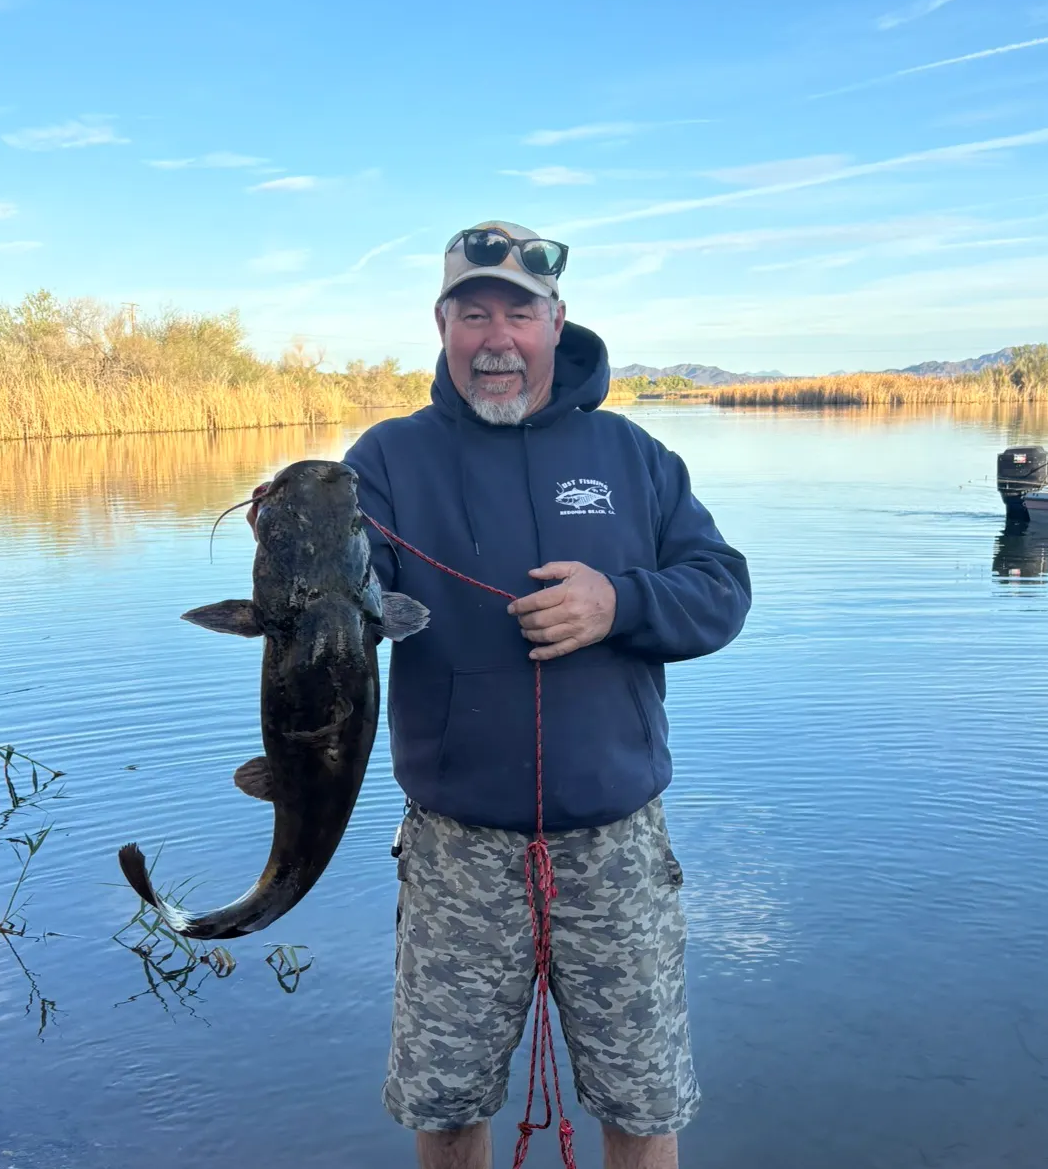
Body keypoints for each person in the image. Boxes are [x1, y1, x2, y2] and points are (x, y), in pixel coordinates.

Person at [291, 220, 750, 1169]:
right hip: (458, 849)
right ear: (442, 325)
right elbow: (342, 593)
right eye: (473, 315)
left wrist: (619, 603)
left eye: (518, 313)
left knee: (643, 1104)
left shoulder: (634, 455)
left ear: (557, 322)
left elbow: (721, 589)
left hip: (616, 848)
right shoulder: (388, 460)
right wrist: (293, 537)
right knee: (446, 1102)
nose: (496, 338)